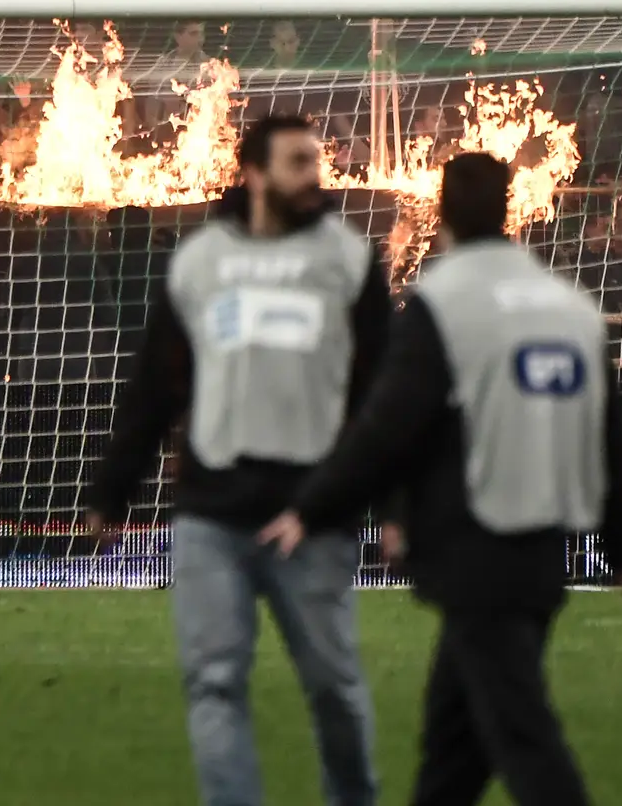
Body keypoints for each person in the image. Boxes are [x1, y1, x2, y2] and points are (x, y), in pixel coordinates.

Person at [260, 152, 622, 806]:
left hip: (476, 549)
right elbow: (610, 439)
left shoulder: (444, 304)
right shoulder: (569, 306)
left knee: (522, 735)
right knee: (454, 745)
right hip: (541, 552)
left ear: (441, 214)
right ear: (508, 209)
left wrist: (312, 505)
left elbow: (386, 427)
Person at [87, 114, 391, 806]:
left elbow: (385, 399)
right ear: (254, 173)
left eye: (316, 161)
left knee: (334, 687)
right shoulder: (202, 262)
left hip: (310, 516)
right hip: (211, 515)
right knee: (214, 682)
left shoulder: (350, 261)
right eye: (296, 162)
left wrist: (395, 508)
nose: (313, 175)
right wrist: (112, 491)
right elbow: (157, 384)